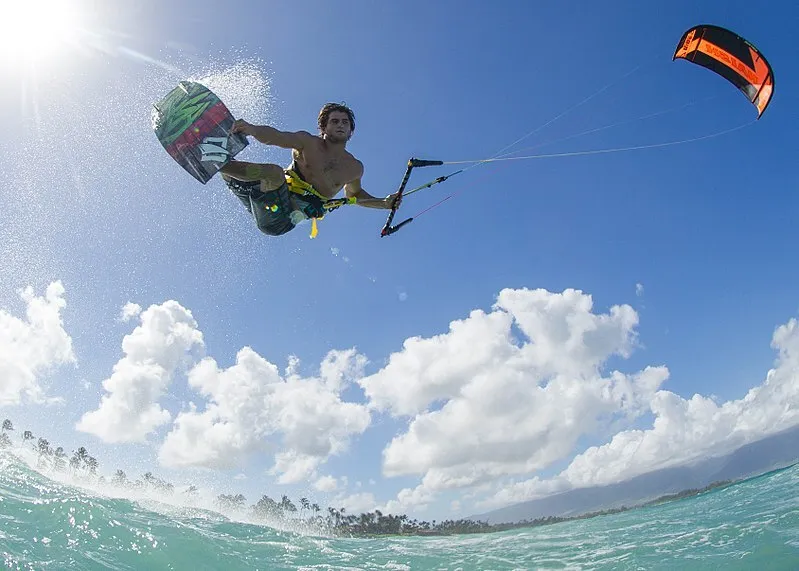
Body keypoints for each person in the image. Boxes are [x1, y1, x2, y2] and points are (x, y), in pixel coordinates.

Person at [220, 102, 400, 236]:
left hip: (279, 219)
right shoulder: (307, 143)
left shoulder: (354, 168)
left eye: (345, 122)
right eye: (334, 121)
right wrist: (251, 129)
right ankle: (217, 161)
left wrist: (384, 203)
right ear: (324, 127)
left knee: (273, 173)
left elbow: (355, 196)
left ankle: (220, 163)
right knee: (234, 169)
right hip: (261, 194)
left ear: (351, 130)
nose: (340, 125)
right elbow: (276, 137)